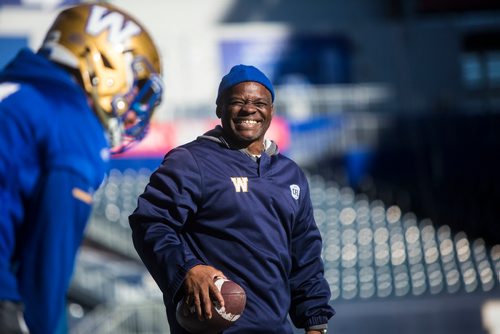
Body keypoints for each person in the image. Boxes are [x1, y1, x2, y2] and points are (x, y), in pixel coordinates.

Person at [129, 64, 334, 333]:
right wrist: (188, 268)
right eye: (238, 101)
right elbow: (150, 223)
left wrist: (315, 322)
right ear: (219, 108)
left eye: (260, 102)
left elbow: (305, 253)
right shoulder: (190, 162)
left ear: (271, 110)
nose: (249, 109)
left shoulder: (290, 174)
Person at [0, 3, 163, 333]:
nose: (133, 112)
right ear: (105, 63)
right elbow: (45, 271)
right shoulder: (72, 122)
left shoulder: (17, 96)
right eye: (135, 89)